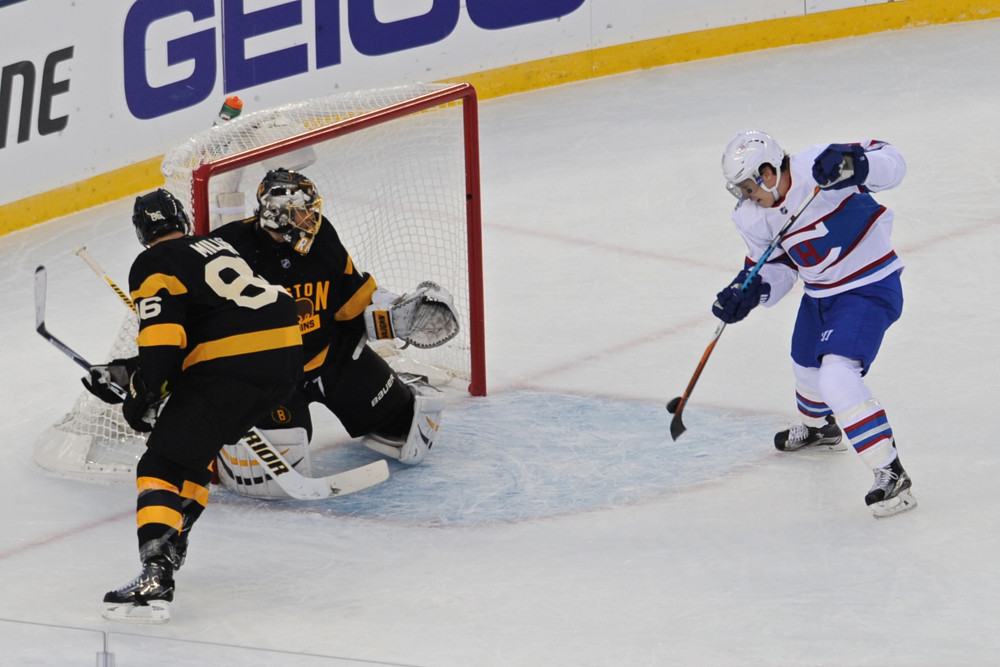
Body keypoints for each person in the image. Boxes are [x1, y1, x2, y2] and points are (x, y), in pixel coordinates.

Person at [88, 188, 303, 622]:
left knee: (160, 465)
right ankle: (173, 538)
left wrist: (141, 398)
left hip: (233, 367)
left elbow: (166, 348)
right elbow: (204, 336)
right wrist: (128, 374)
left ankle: (156, 572)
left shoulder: (151, 263)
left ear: (141, 232)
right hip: (283, 361)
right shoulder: (214, 246)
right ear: (182, 221)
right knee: (192, 455)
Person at [210, 168, 455, 499]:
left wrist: (396, 309)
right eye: (300, 212)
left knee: (407, 427)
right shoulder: (231, 249)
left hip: (331, 357)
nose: (310, 218)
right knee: (274, 473)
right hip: (270, 376)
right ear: (274, 213)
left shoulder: (321, 236)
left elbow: (352, 299)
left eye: (310, 210)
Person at [715, 129, 916, 518]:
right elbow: (776, 266)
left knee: (837, 377)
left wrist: (858, 164)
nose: (745, 196)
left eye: (747, 186)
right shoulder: (750, 216)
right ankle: (821, 429)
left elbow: (893, 165)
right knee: (805, 369)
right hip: (820, 295)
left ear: (768, 173)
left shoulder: (820, 164)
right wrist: (751, 292)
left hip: (868, 285)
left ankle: (891, 472)